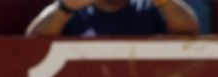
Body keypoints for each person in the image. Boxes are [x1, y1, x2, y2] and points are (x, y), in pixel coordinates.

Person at [26, 0, 199, 37]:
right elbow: (33, 42)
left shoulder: (149, 7)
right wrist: (64, 7)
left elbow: (188, 34)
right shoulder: (72, 10)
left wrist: (165, 2)